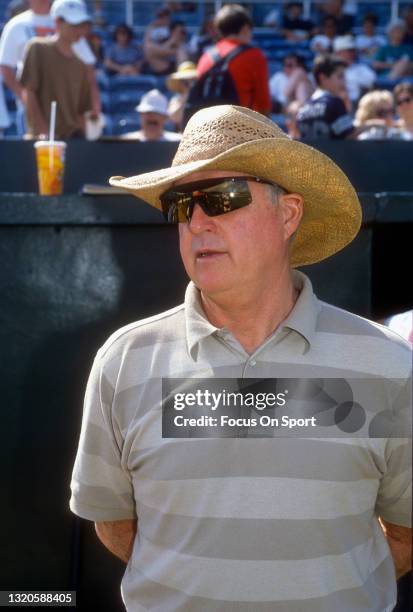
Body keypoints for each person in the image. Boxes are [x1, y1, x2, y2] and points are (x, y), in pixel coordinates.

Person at [70, 103, 412, 611]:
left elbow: (404, 531)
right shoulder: (124, 361)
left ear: (288, 213)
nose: (199, 221)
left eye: (222, 198)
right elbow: (113, 521)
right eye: (183, 205)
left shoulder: (387, 364)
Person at [0, 0, 100, 134]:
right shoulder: (18, 27)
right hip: (33, 111)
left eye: (82, 25)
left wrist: (94, 107)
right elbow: (6, 68)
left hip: (68, 116)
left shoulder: (77, 46)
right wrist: (25, 99)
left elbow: (89, 72)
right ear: (59, 22)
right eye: (75, 25)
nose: (80, 30)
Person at [197, 4, 271, 115]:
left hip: (209, 124)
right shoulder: (254, 55)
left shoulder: (206, 56)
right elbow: (263, 102)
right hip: (241, 126)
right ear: (245, 28)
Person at [297, 54, 355, 139]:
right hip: (331, 152)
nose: (344, 81)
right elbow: (349, 136)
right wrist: (371, 125)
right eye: (340, 76)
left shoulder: (303, 108)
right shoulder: (335, 102)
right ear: (323, 78)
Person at [333, 35, 376, 106]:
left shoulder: (361, 68)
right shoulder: (330, 71)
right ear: (338, 53)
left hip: (356, 104)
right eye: (348, 51)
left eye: (352, 51)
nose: (351, 54)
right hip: (335, 104)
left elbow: (371, 80)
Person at [166, 60, 197, 130]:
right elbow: (174, 118)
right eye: (185, 82)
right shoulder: (177, 99)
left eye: (193, 80)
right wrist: (185, 97)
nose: (190, 84)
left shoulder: (203, 97)